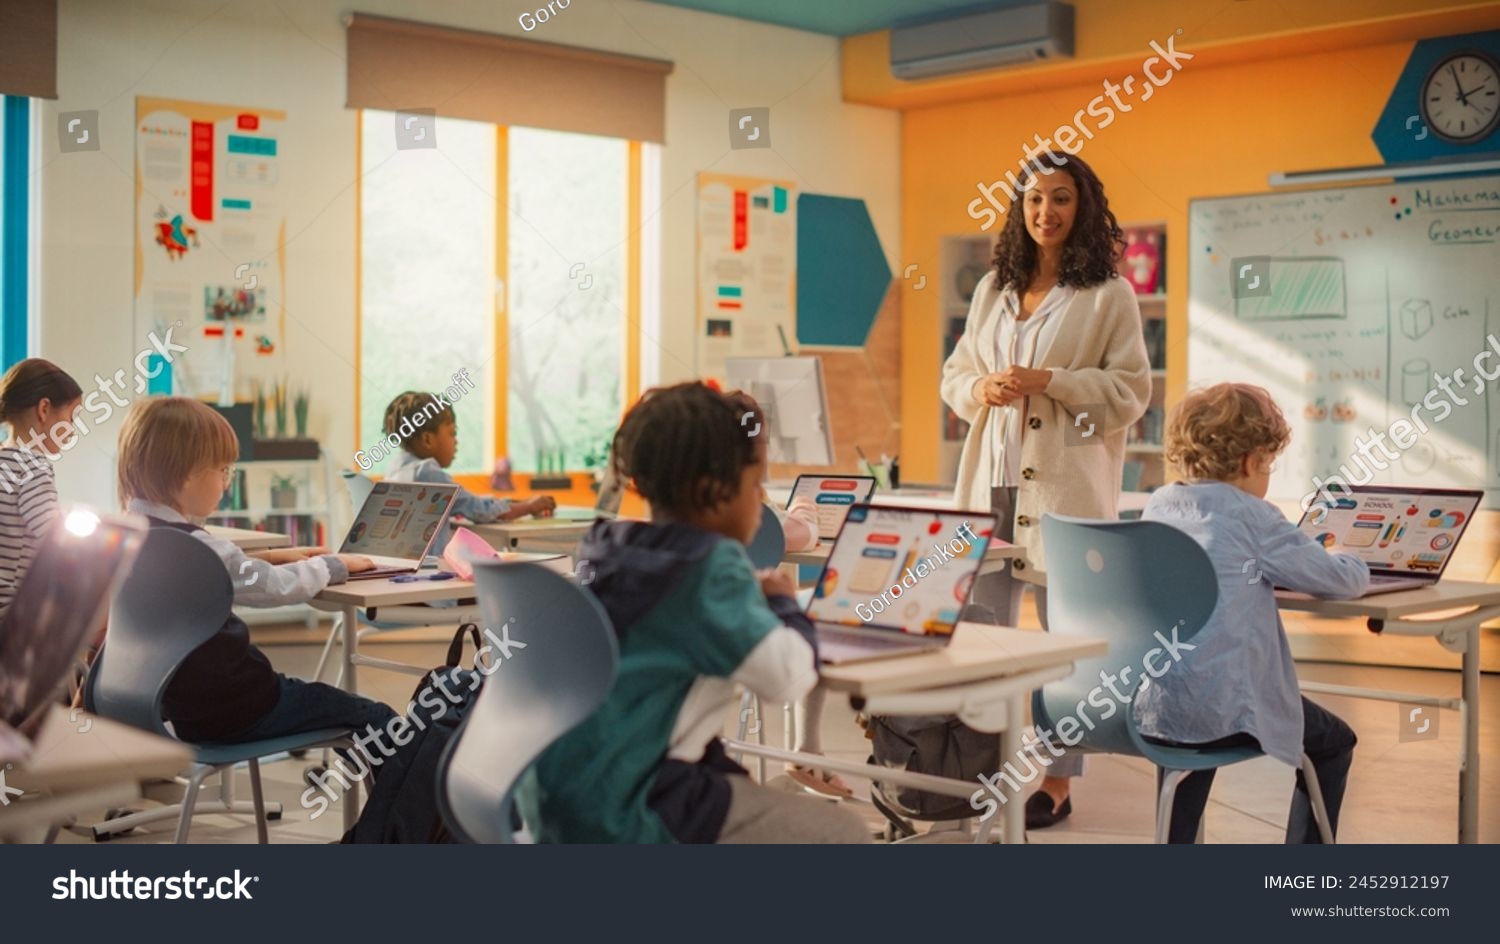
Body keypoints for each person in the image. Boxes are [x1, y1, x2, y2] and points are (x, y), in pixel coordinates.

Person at [518, 382, 868, 843]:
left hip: (548, 801)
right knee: (842, 832)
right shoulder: (709, 569)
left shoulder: (608, 547)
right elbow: (788, 680)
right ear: (715, 490)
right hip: (628, 809)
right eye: (756, 483)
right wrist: (784, 602)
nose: (761, 498)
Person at [939, 152, 1151, 828]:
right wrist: (981, 388)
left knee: (1067, 643)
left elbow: (1129, 394)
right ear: (1019, 209)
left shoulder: (1109, 294)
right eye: (1034, 199)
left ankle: (1057, 781)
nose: (1046, 212)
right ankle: (978, 771)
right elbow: (956, 374)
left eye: (1061, 199)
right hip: (988, 486)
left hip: (1064, 494)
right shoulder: (993, 289)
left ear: (1083, 206)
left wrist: (1049, 381)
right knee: (978, 634)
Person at [1142, 383, 1367, 842]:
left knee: (1188, 730)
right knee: (1335, 741)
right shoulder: (1254, 516)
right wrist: (1355, 557)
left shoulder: (1159, 504)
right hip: (1224, 710)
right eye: (1269, 463)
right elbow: (1341, 581)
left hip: (1155, 707)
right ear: (1251, 462)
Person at [116, 397, 396, 748]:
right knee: (381, 720)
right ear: (188, 475)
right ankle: (396, 805)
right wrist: (335, 565)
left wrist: (272, 555)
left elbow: (227, 572)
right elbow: (274, 587)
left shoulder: (128, 534)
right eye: (223, 471)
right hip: (244, 708)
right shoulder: (203, 551)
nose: (226, 483)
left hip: (181, 709)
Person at [380, 390, 556, 554]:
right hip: (429, 572)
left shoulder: (395, 468)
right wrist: (529, 507)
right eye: (452, 433)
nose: (456, 441)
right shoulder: (428, 473)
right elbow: (480, 510)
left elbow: (467, 503)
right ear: (427, 439)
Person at [0, 359, 82, 617]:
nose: (72, 430)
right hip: (11, 615)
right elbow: (54, 536)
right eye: (72, 417)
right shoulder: (32, 468)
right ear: (44, 409)